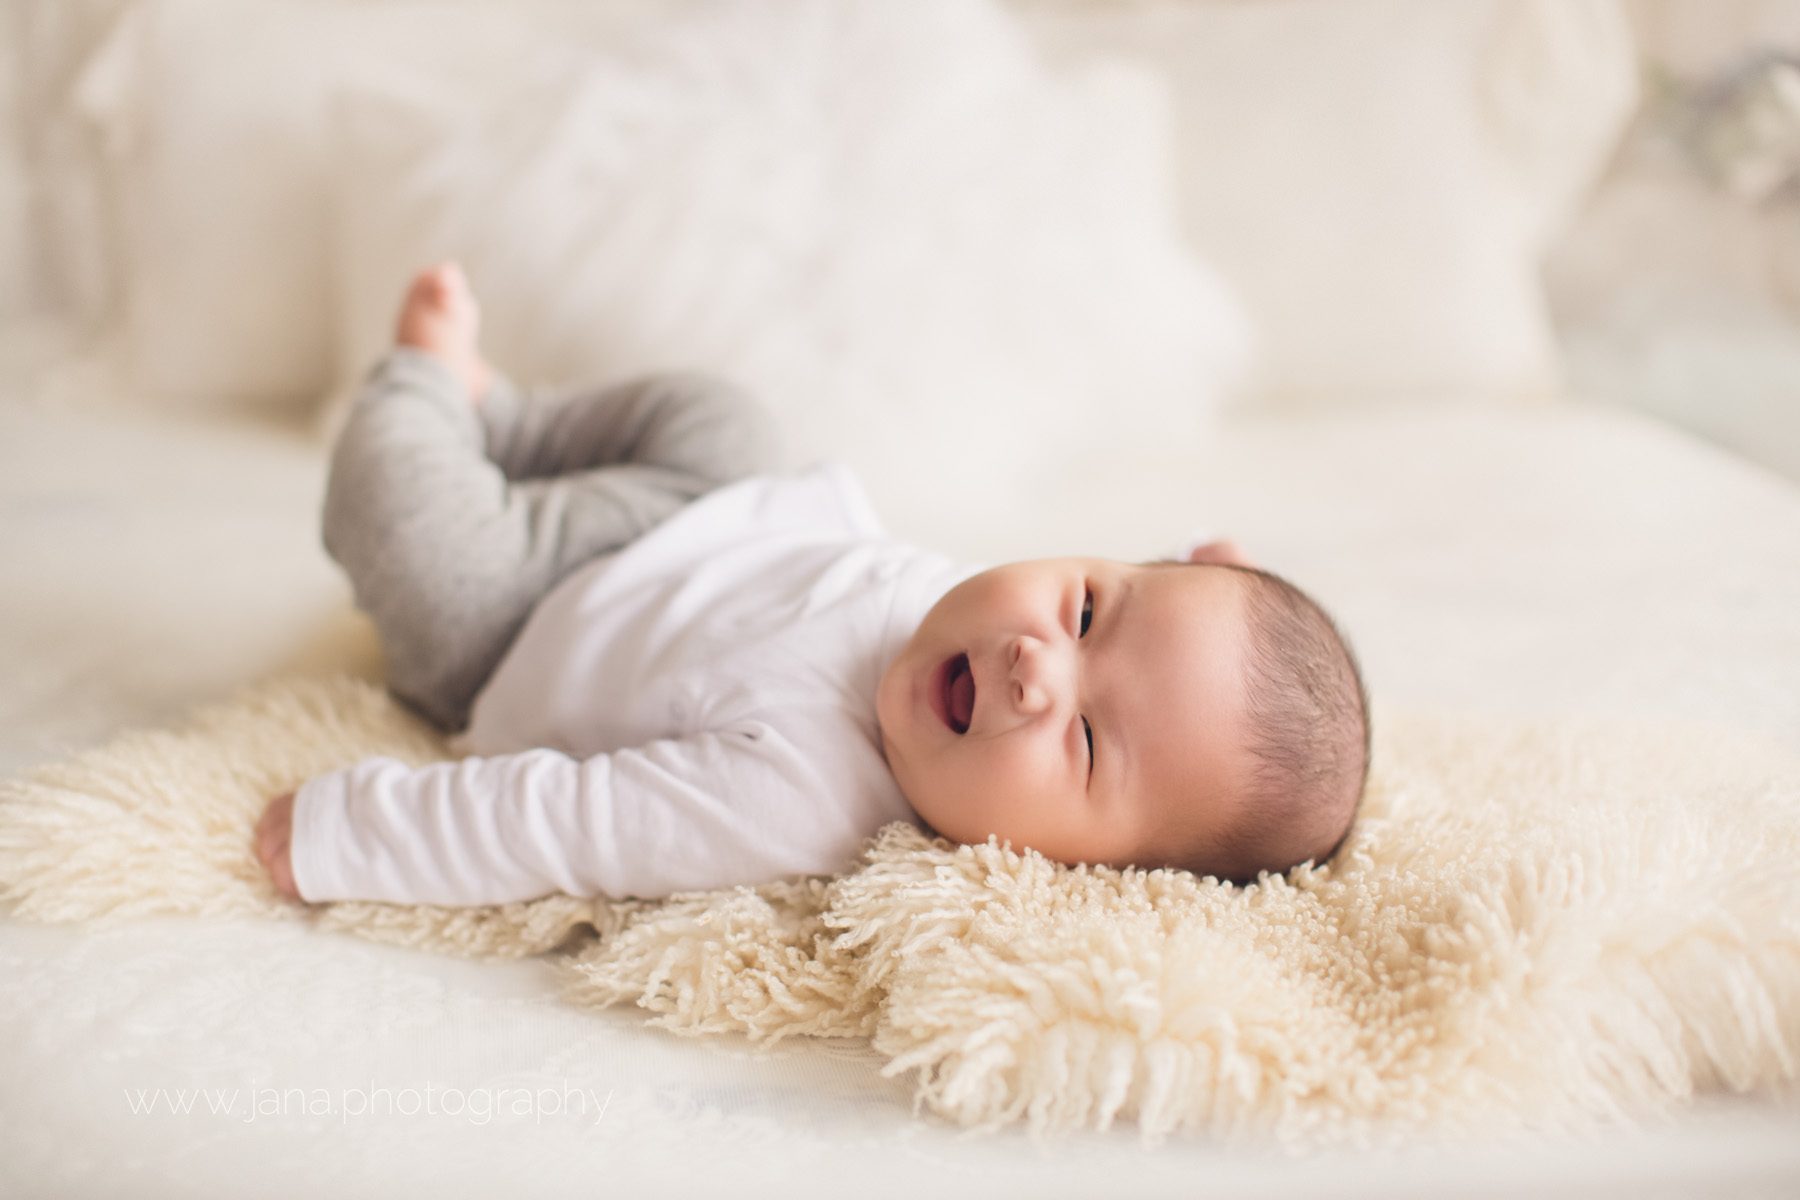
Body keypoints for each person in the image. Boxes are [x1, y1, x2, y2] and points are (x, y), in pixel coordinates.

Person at [256, 264, 1369, 906]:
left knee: (413, 534)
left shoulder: (797, 796)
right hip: (703, 519)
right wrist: (1214, 570)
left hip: (520, 619)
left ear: (1091, 877)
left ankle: (428, 393)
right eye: (1084, 611)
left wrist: (345, 834)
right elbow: (1183, 615)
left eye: (1083, 745)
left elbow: (560, 824)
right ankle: (509, 418)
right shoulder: (994, 647)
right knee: (726, 415)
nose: (1038, 666)